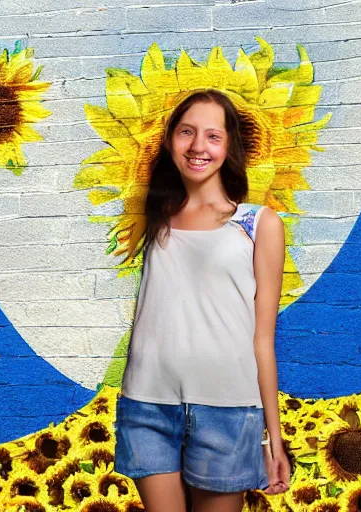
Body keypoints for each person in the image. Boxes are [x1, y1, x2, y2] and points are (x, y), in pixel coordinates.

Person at [114, 89, 291, 512]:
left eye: (213, 136)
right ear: (170, 140)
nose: (197, 146)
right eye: (186, 132)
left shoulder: (257, 224)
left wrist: (272, 436)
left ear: (229, 146)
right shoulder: (154, 217)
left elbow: (262, 340)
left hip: (227, 410)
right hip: (146, 404)